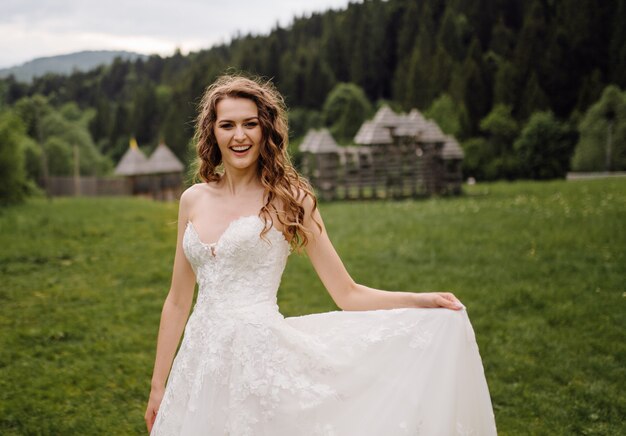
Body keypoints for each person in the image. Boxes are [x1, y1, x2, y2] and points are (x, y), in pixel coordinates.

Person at [145, 74, 497, 435]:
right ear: (212, 132)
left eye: (250, 124)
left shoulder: (290, 200)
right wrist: (159, 386)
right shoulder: (193, 199)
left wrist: (420, 301)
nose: (239, 136)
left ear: (266, 130)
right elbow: (177, 300)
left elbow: (347, 293)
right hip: (198, 363)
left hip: (258, 362)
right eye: (227, 125)